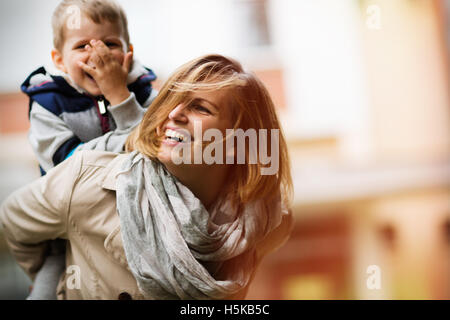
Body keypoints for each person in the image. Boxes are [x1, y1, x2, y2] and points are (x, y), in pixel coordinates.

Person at [0, 54, 293, 300]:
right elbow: (13, 221)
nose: (173, 114)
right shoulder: (89, 180)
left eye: (200, 107)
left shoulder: (266, 220)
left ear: (236, 144)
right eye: (173, 100)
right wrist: (59, 282)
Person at [19, 0, 157, 299]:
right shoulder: (47, 104)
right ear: (59, 59)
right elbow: (71, 166)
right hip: (67, 224)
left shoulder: (147, 94)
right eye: (82, 46)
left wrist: (120, 95)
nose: (98, 55)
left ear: (128, 51)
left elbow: (154, 147)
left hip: (132, 218)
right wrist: (127, 139)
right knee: (50, 281)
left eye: (109, 43)